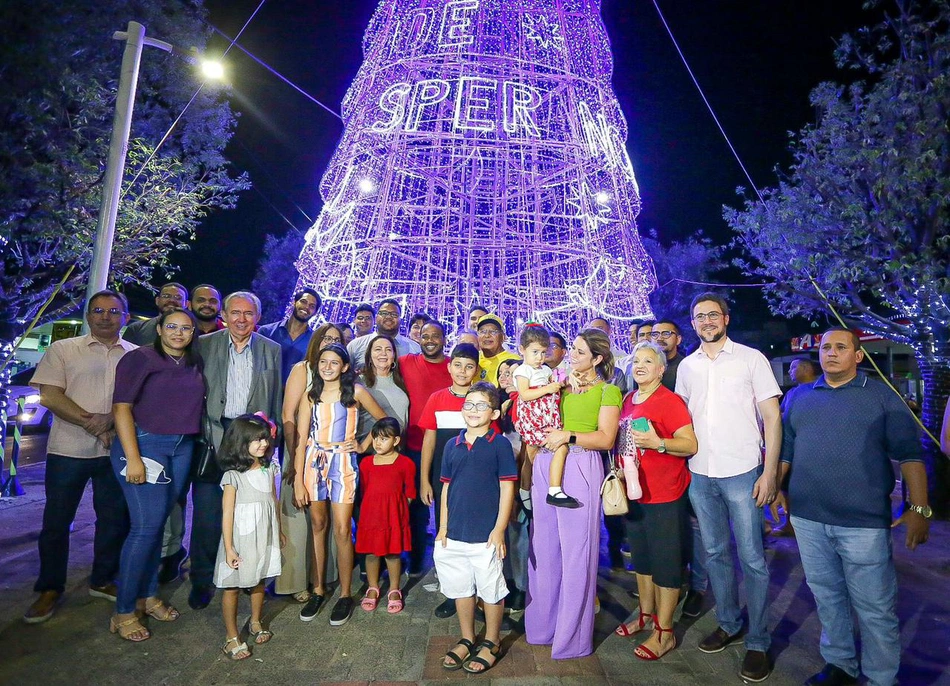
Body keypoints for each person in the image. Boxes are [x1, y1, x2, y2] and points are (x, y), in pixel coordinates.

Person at [782, 328, 930, 686]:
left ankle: (881, 678)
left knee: (875, 608)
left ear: (858, 356)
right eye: (826, 347)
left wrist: (920, 509)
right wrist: (775, 487)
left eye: (841, 347)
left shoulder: (882, 396)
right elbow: (786, 450)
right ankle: (840, 665)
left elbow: (910, 455)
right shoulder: (799, 397)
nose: (831, 353)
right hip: (808, 518)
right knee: (828, 597)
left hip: (863, 523)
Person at [675, 293, 782, 682]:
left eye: (712, 315)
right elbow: (681, 420)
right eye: (698, 316)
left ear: (726, 319)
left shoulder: (751, 359)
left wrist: (770, 474)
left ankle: (758, 642)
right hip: (700, 473)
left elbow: (772, 418)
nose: (705, 321)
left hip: (743, 471)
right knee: (716, 552)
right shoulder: (687, 366)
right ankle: (729, 622)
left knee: (753, 558)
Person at [23, 290, 135, 624]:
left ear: (125, 317)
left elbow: (139, 398)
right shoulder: (63, 350)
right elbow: (50, 395)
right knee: (56, 523)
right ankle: (49, 588)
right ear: (88, 315)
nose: (105, 316)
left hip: (114, 451)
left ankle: (102, 579)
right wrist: (92, 422)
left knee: (114, 520)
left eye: (114, 311)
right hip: (68, 450)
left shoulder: (135, 355)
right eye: (98, 310)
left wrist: (111, 422)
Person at [109, 307, 205, 641]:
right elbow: (121, 407)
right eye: (173, 327)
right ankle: (123, 611)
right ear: (160, 328)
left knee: (159, 525)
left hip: (182, 447)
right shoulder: (140, 358)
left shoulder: (192, 362)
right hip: (146, 445)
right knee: (145, 528)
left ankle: (148, 596)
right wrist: (133, 458)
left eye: (186, 328)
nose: (179, 333)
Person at [525, 328, 622, 660]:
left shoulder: (608, 392)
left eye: (580, 352)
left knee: (577, 553)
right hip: (546, 464)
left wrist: (569, 436)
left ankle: (571, 639)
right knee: (545, 547)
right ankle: (542, 628)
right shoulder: (559, 384)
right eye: (572, 351)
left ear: (597, 359)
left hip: (581, 466)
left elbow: (607, 438)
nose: (571, 356)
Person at [190, 291, 283, 611]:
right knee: (207, 516)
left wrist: (272, 438)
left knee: (251, 517)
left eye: (248, 313)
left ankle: (251, 577)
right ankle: (202, 580)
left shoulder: (272, 350)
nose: (241, 319)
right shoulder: (205, 345)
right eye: (235, 313)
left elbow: (276, 399)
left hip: (253, 442)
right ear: (225, 315)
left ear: (257, 317)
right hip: (214, 439)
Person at [613, 341, 697, 661]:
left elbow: (689, 444)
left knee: (666, 563)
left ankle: (665, 632)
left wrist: (659, 443)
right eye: (636, 360)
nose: (640, 365)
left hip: (665, 494)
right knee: (643, 560)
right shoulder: (627, 400)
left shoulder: (670, 401)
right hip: (635, 494)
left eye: (648, 361)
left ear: (661, 370)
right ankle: (645, 615)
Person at [292, 344, 386, 626]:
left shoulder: (355, 392)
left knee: (343, 528)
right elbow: (299, 439)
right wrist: (298, 479)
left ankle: (345, 594)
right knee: (318, 525)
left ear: (345, 366)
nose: (328, 367)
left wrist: (363, 444)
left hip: (343, 463)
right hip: (313, 461)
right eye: (323, 362)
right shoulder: (310, 396)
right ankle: (319, 589)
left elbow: (384, 420)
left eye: (334, 362)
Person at [435, 382, 517, 674]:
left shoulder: (500, 444)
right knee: (461, 587)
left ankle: (492, 641)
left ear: (494, 413)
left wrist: (499, 529)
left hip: (486, 535)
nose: (473, 410)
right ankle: (468, 637)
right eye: (468, 404)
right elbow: (446, 488)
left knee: (491, 589)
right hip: (455, 532)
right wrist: (443, 526)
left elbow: (507, 487)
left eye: (481, 405)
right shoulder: (451, 445)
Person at [276, 323, 345, 602]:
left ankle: (324, 576)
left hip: (332, 457)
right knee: (297, 520)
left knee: (324, 520)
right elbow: (288, 415)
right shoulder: (302, 369)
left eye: (336, 340)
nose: (330, 342)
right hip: (300, 451)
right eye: (326, 338)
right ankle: (295, 581)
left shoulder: (340, 375)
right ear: (316, 341)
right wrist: (295, 458)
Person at [419, 343, 483, 618]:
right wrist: (424, 479)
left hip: (477, 479)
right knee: (446, 534)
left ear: (477, 370)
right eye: (457, 364)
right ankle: (452, 593)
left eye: (469, 366)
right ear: (449, 366)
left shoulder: (482, 398)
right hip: (444, 477)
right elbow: (429, 441)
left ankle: (480, 597)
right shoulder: (436, 398)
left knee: (477, 537)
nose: (462, 371)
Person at [214, 414, 284, 660]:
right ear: (240, 443)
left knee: (259, 579)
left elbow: (273, 500)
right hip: (240, 539)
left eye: (264, 438)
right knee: (232, 586)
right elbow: (227, 512)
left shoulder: (268, 469)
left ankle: (255, 621)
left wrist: (279, 530)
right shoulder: (233, 476)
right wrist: (230, 547)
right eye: (256, 440)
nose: (263, 444)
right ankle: (231, 636)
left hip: (263, 535)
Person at [398, 320, 452, 576]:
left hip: (448, 448)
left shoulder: (454, 366)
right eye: (424, 335)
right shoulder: (407, 362)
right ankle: (417, 559)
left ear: (444, 339)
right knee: (417, 507)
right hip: (414, 446)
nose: (429, 340)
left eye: (435, 336)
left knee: (447, 506)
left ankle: (449, 563)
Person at [355, 418, 416, 614]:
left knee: (393, 552)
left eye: (384, 439)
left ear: (396, 440)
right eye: (376, 438)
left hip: (393, 517)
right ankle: (373, 587)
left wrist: (399, 513)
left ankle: (394, 589)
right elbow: (365, 490)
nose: (378, 443)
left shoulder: (405, 463)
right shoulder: (366, 463)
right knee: (371, 553)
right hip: (371, 515)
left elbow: (410, 492)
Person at [513, 325, 573, 507]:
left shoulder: (546, 370)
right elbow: (524, 394)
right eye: (535, 352)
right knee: (531, 455)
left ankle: (549, 488)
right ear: (522, 350)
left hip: (548, 416)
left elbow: (553, 389)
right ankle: (526, 490)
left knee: (552, 450)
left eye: (543, 353)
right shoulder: (523, 371)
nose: (539, 357)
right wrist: (547, 388)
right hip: (533, 417)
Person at [258, 288, 320, 382]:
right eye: (303, 302)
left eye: (312, 306)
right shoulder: (266, 332)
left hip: (294, 395)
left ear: (315, 312)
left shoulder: (315, 341)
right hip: (264, 391)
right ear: (294, 302)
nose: (306, 307)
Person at [357, 335, 409, 443]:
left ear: (394, 355)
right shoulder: (359, 382)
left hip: (397, 448)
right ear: (370, 356)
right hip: (369, 450)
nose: (383, 353)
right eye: (378, 349)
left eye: (388, 350)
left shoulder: (401, 380)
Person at [348, 299, 422, 366]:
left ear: (400, 320)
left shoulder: (415, 348)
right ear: (376, 318)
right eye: (384, 313)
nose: (388, 317)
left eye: (394, 314)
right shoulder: (355, 346)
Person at [123, 282, 189, 346]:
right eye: (166, 296)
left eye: (178, 298)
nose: (171, 300)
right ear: (157, 301)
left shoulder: (192, 331)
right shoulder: (136, 328)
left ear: (186, 304)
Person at [476, 314, 519, 386]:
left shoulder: (513, 361)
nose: (487, 335)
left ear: (503, 337)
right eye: (482, 331)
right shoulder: (474, 358)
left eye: (493, 332)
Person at [650, 320, 684, 390]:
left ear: (678, 339)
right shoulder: (645, 365)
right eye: (655, 334)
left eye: (666, 334)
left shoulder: (685, 366)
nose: (659, 338)